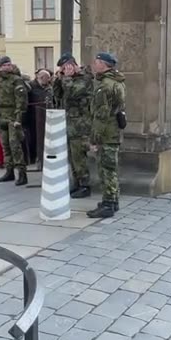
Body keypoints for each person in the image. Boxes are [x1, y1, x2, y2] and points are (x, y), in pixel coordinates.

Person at [87, 52, 125, 218]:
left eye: (96, 62)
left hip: (106, 134)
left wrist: (95, 139)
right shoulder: (115, 81)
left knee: (106, 170)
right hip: (112, 133)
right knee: (111, 169)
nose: (94, 65)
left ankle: (108, 204)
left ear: (103, 64)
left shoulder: (105, 86)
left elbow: (101, 115)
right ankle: (113, 201)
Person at [53, 53, 93, 197]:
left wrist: (67, 78)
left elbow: (72, 94)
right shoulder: (66, 79)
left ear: (72, 65)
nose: (64, 71)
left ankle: (85, 185)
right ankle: (76, 182)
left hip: (80, 125)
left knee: (78, 156)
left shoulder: (86, 78)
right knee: (71, 156)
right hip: (69, 123)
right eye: (63, 69)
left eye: (66, 67)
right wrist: (58, 80)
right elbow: (57, 96)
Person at [0, 57, 29, 185]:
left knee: (15, 146)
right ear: (1, 67)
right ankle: (9, 171)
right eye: (5, 65)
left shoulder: (16, 80)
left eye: (9, 64)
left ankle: (22, 173)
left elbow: (22, 100)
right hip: (2, 115)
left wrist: (19, 118)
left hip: (13, 116)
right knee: (5, 146)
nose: (8, 67)